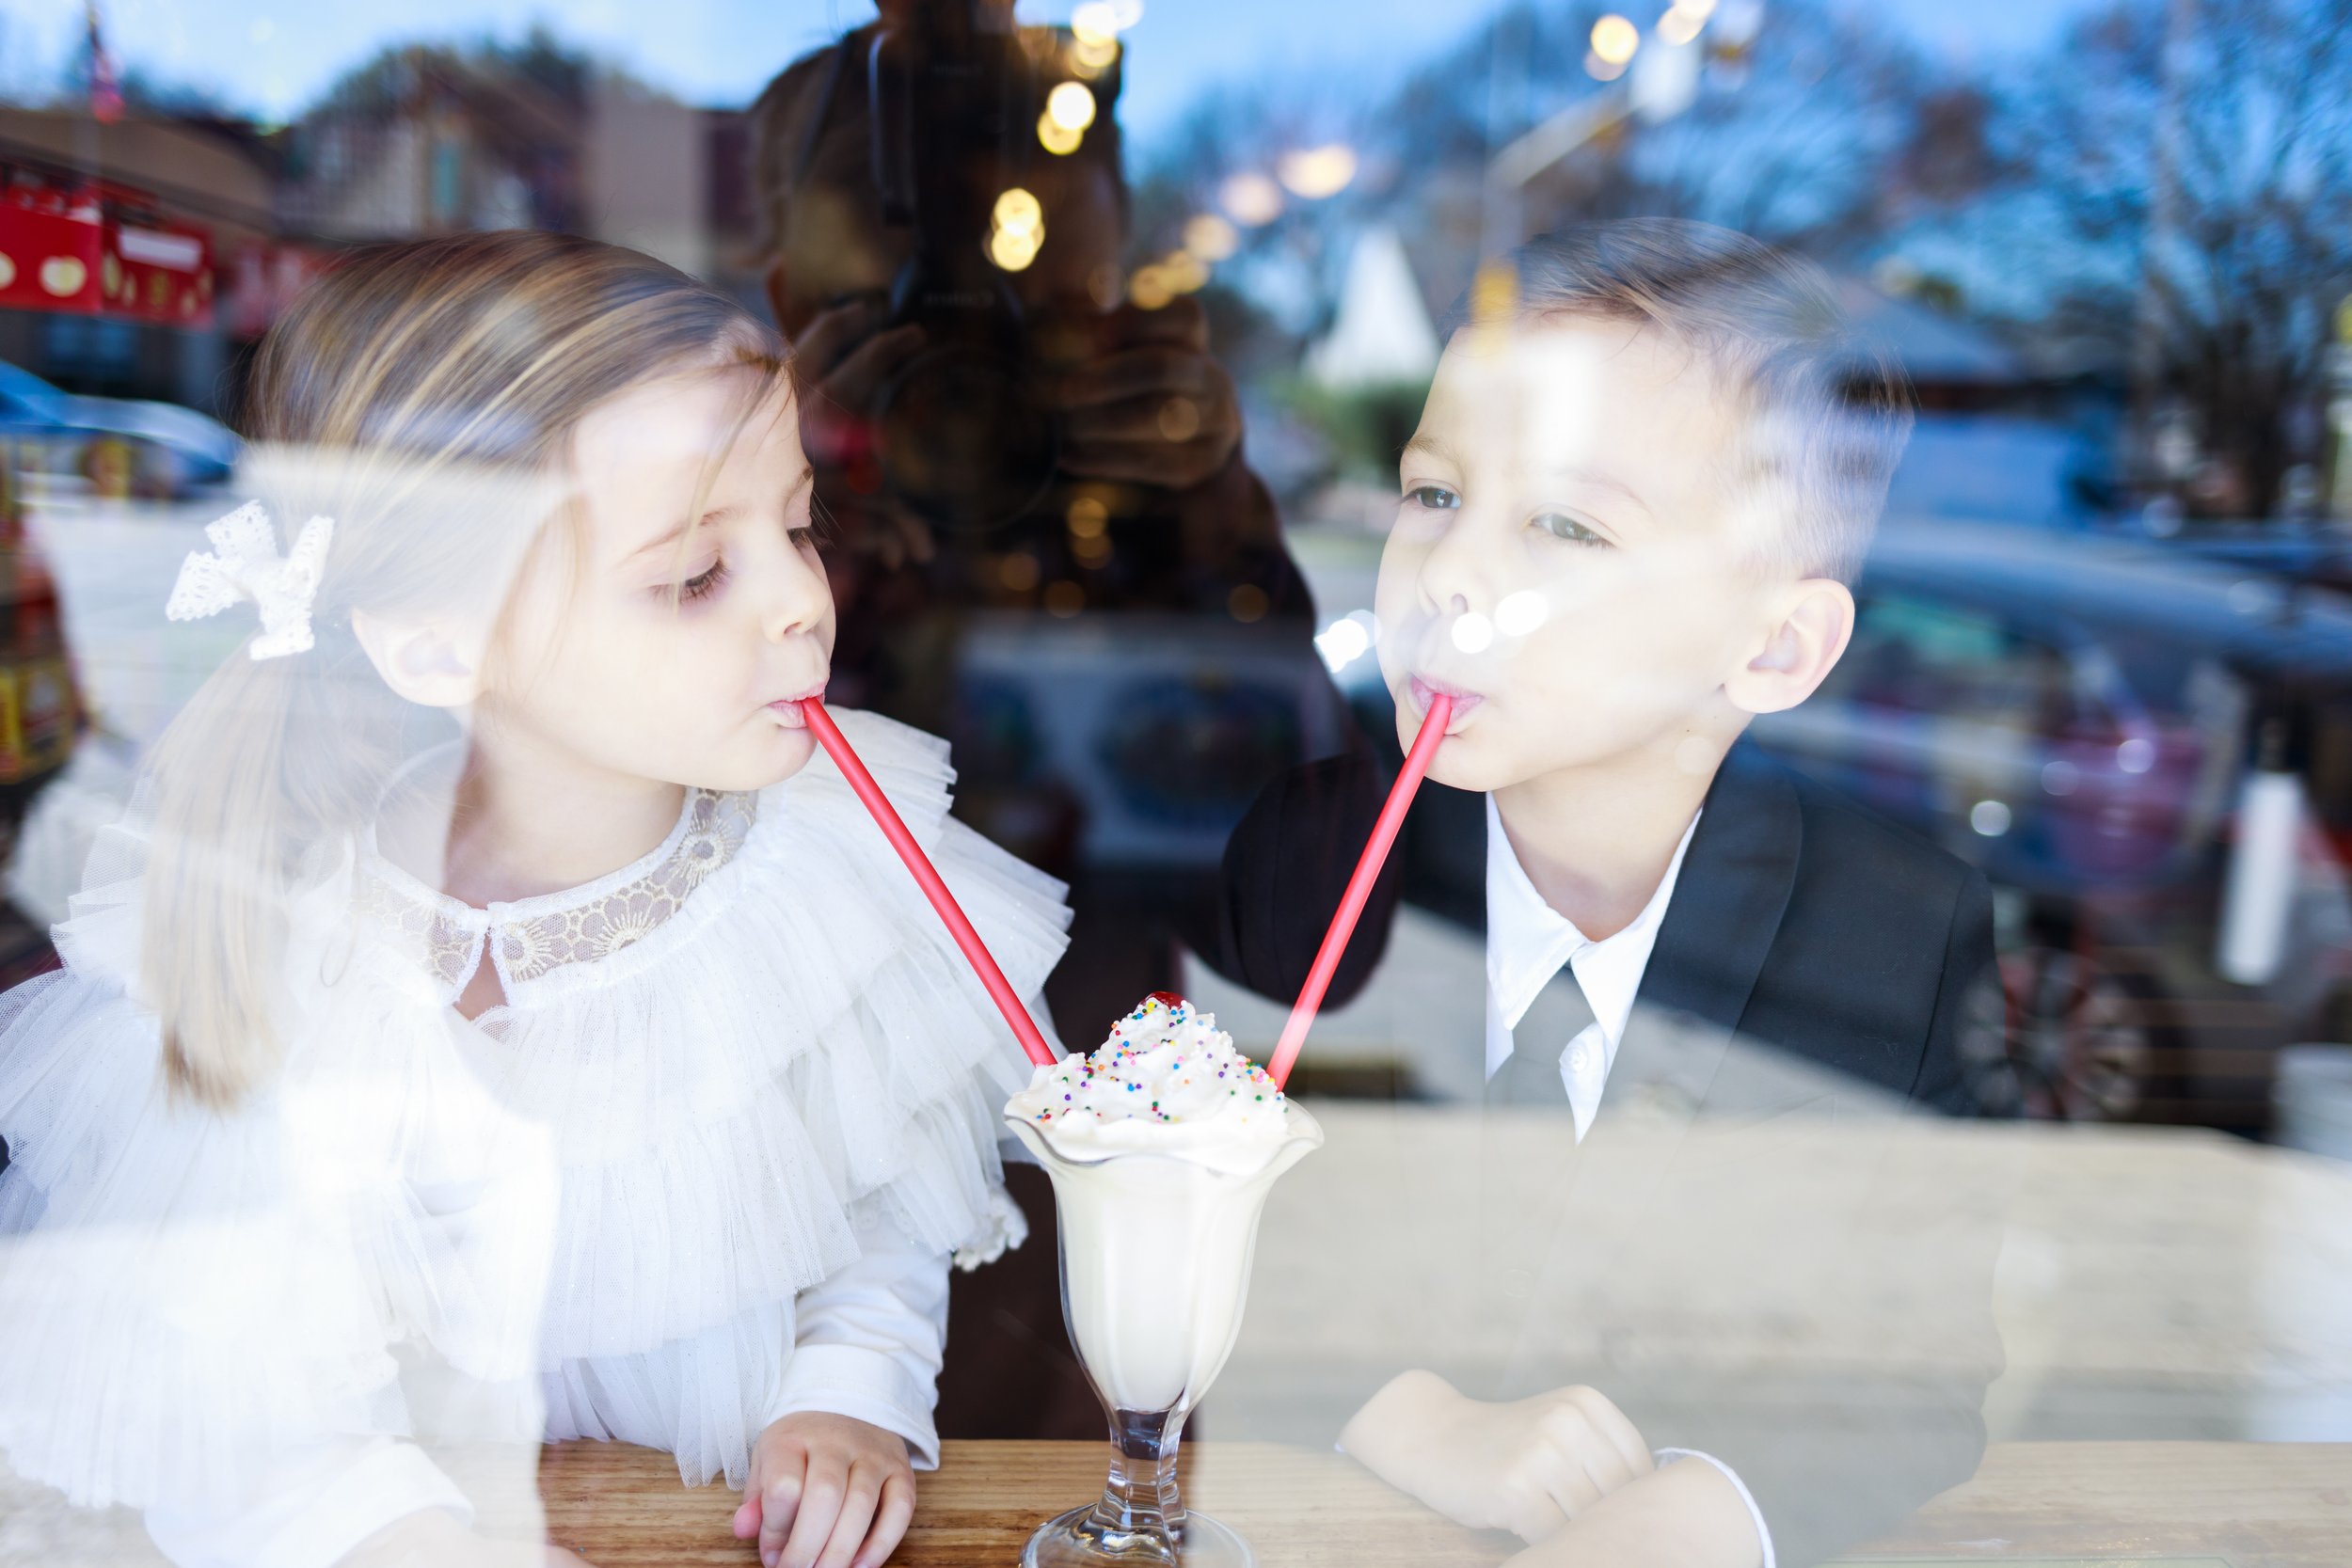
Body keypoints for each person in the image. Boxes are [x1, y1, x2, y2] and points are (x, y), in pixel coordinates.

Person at [0, 231, 1071, 1568]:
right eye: (693, 575)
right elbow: (223, 1381)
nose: (805, 599)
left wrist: (849, 1392)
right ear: (440, 640)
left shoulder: (818, 887)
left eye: (799, 524)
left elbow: (869, 1201)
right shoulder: (275, 939)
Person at [1205, 218, 2002, 1567]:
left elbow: (1914, 1371)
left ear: (1775, 646)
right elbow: (1176, 1231)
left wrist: (1700, 1506)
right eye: (1435, 494)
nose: (1449, 574)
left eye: (1566, 525)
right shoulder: (1310, 856)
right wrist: (1398, 1413)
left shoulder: (1892, 929)